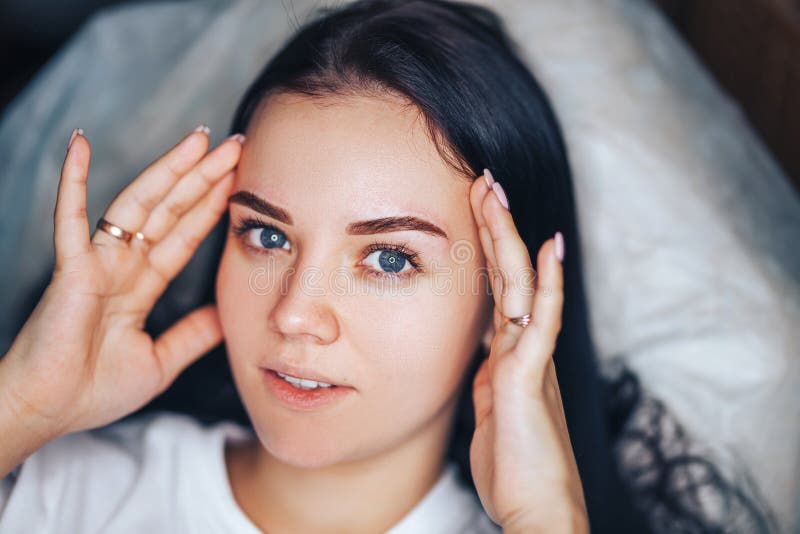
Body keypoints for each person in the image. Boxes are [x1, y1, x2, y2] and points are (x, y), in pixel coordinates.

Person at [0, 1, 776, 533]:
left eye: (389, 257)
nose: (296, 313)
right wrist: (21, 410)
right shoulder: (66, 492)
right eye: (267, 238)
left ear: (505, 303)